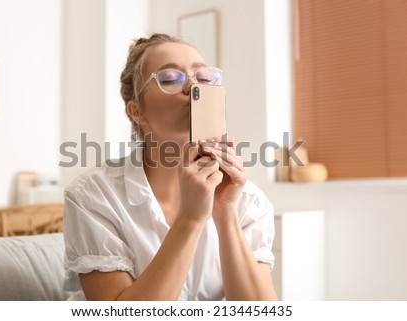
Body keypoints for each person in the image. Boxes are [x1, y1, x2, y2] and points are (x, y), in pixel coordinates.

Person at [63, 33, 277, 301]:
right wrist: (190, 218)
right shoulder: (92, 196)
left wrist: (226, 212)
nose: (192, 88)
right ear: (138, 112)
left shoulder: (248, 201)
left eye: (203, 77)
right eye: (170, 79)